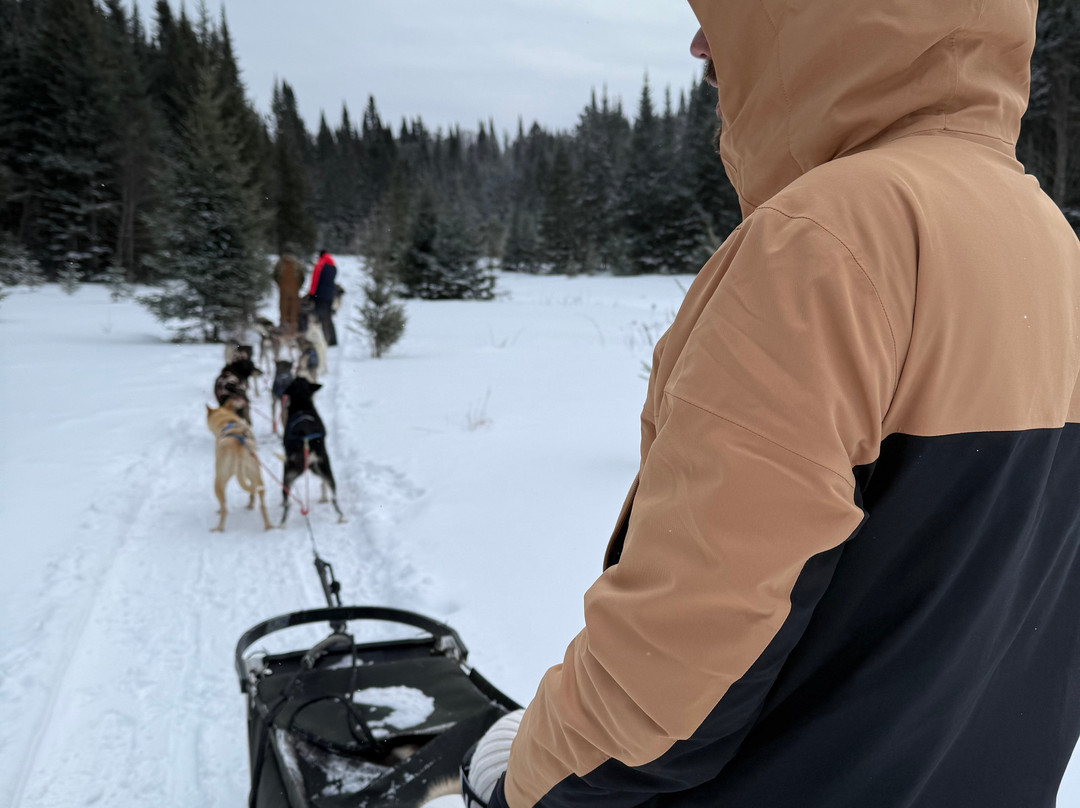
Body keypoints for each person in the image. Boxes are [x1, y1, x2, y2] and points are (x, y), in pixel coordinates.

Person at [476, 1, 1080, 807]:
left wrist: (526, 775)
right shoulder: (1053, 242)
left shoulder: (826, 240)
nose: (701, 40)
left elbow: (674, 678)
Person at [308, 249, 338, 346]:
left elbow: (315, 280)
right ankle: (332, 340)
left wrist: (312, 294)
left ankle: (324, 340)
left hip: (320, 296)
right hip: (329, 295)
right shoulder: (332, 265)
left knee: (320, 318)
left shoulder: (320, 265)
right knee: (328, 318)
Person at [272, 252, 305, 336]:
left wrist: (280, 285)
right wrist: (298, 286)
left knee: (284, 309)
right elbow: (302, 277)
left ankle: (284, 331)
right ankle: (293, 331)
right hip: (295, 290)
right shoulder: (297, 263)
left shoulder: (280, 263)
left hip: (283, 290)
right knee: (294, 310)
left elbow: (275, 275)